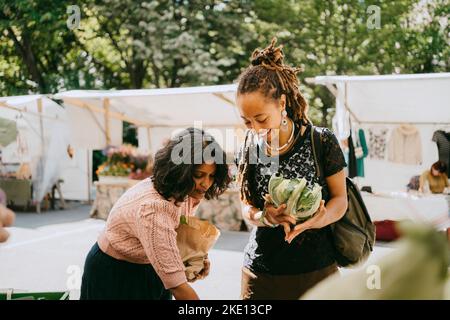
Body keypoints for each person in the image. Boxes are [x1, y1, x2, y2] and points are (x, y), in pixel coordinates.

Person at [235, 38, 348, 299]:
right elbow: (245, 207)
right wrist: (265, 217)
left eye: (261, 118)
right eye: (246, 121)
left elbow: (340, 200)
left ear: (282, 104)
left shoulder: (321, 141)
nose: (255, 128)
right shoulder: (248, 149)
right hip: (260, 276)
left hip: (317, 274)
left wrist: (320, 219)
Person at [80, 128, 231, 300]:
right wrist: (177, 275)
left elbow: (173, 234)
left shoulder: (187, 191)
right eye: (199, 175)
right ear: (180, 171)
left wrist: (195, 258)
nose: (206, 183)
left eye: (211, 176)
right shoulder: (154, 208)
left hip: (149, 266)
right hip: (113, 272)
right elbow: (178, 286)